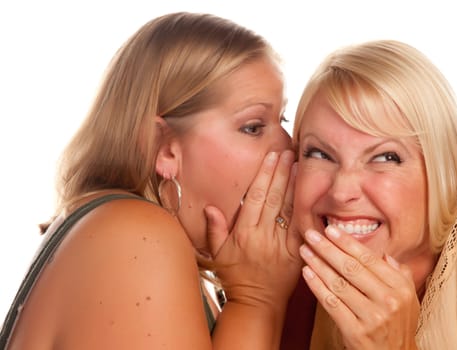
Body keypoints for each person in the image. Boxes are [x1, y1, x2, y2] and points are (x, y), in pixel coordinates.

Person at [0, 12, 303, 349]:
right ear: (164, 149)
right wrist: (257, 300)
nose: (288, 146)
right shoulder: (137, 236)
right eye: (253, 127)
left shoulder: (122, 232)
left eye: (282, 119)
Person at [283, 40, 457, 349]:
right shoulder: (297, 283)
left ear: (441, 166)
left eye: (385, 157)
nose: (342, 191)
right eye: (319, 153)